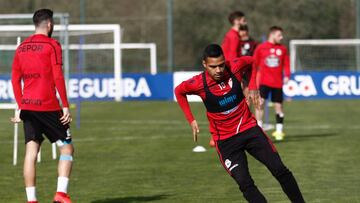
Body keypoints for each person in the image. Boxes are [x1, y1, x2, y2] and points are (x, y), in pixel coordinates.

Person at [174, 44, 304, 203]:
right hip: (226, 142)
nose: (218, 70)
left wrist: (253, 86)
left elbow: (252, 62)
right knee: (245, 183)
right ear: (204, 64)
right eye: (213, 67)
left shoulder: (234, 66)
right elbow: (179, 91)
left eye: (221, 65)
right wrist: (191, 119)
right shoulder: (197, 83)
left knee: (280, 170)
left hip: (250, 130)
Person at [11, 9, 74, 203]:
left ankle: (32, 200)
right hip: (48, 106)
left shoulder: (21, 47)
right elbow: (58, 76)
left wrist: (21, 106)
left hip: (28, 107)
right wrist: (65, 105)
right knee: (67, 149)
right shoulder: (52, 45)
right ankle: (60, 194)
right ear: (49, 25)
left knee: (31, 153)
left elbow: (14, 80)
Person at [253, 26, 290, 141]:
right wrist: (253, 79)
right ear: (272, 35)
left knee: (278, 106)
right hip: (264, 82)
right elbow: (254, 64)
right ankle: (259, 130)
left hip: (277, 83)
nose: (281, 37)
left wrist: (287, 76)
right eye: (279, 35)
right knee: (260, 104)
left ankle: (279, 131)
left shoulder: (283, 49)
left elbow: (286, 64)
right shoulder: (261, 48)